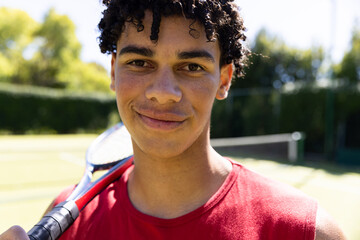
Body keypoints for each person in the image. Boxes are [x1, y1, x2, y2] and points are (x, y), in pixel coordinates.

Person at [0, 0, 346, 239]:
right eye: (139, 62)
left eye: (192, 67)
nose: (163, 92)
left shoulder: (305, 230)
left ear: (224, 79)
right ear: (113, 72)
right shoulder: (64, 220)